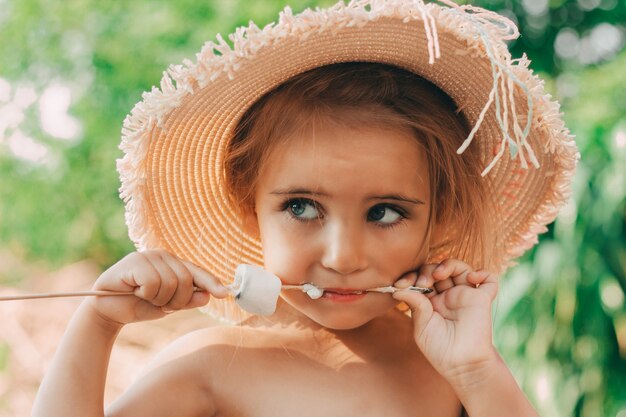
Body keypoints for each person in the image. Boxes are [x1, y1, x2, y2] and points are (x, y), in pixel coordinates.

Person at [32, 1, 579, 416]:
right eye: (301, 207)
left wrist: (476, 371)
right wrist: (97, 322)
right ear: (248, 207)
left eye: (386, 212)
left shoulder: (452, 367)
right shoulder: (211, 365)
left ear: (443, 216)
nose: (343, 256)